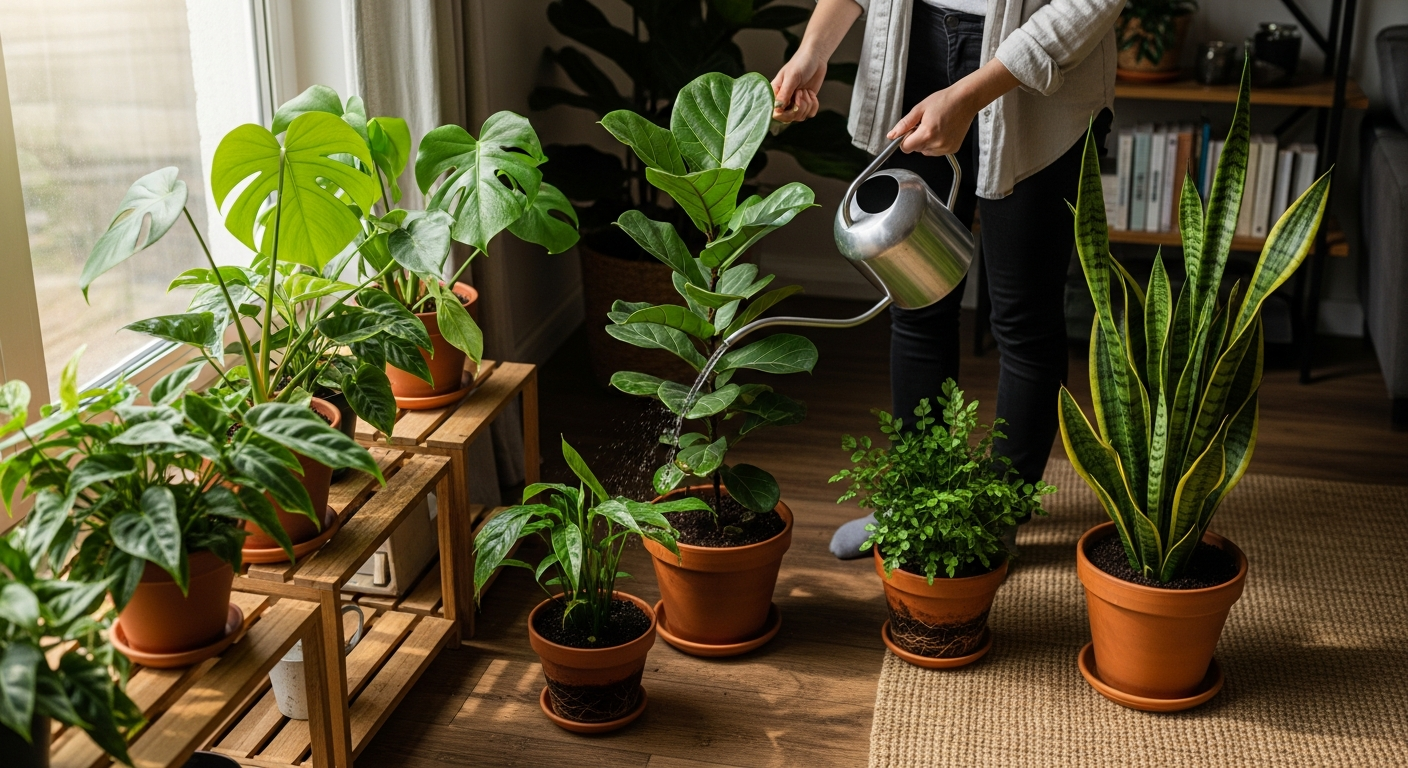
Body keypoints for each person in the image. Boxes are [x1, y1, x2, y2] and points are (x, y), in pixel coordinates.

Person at [772, 0, 1123, 558]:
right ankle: (916, 500)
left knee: (1023, 320)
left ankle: (999, 514)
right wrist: (814, 49)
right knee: (916, 304)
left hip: (1037, 86)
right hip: (916, 53)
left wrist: (966, 97)